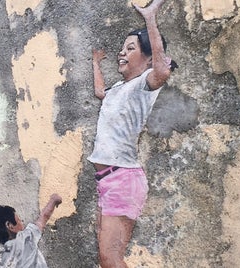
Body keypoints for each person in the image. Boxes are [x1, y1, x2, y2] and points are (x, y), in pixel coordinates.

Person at [88, 0, 176, 267]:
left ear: (148, 58)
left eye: (130, 48)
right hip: (108, 180)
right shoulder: (118, 89)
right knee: (108, 258)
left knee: (110, 258)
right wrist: (95, 63)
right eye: (122, 48)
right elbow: (100, 93)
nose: (122, 53)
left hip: (122, 179)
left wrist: (150, 19)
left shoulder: (143, 85)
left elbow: (162, 70)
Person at [0, 193, 63, 268]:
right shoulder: (26, 238)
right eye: (19, 220)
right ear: (10, 226)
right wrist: (54, 200)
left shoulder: (2, 260)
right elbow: (44, 217)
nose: (22, 222)